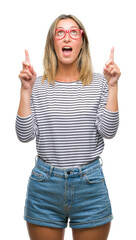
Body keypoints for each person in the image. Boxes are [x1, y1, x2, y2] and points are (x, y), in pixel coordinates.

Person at [15, 14, 121, 240]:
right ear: (52, 42)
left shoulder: (100, 82)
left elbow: (108, 131)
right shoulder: (37, 85)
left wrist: (113, 87)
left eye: (74, 32)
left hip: (90, 185)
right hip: (45, 186)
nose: (67, 37)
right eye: (60, 32)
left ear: (82, 42)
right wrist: (25, 90)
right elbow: (24, 135)